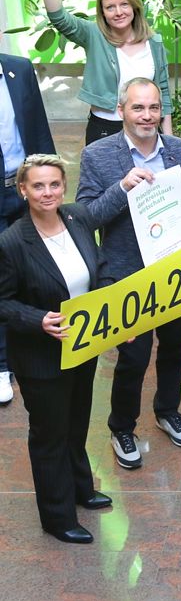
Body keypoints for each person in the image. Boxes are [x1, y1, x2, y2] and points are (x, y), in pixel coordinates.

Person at [76, 79, 181, 469]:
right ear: (121, 111)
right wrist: (121, 188)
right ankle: (122, 427)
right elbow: (85, 218)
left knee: (175, 348)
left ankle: (168, 411)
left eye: (153, 108)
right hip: (126, 275)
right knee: (132, 356)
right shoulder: (98, 155)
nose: (146, 116)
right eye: (138, 108)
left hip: (174, 270)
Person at [0, 155, 111, 543]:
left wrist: (117, 320)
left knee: (77, 422)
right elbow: (3, 302)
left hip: (83, 346)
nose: (48, 193)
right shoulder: (12, 241)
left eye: (54, 184)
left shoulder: (78, 218)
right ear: (23, 190)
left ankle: (81, 489)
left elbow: (96, 270)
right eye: (38, 186)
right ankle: (57, 516)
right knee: (49, 433)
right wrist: (38, 320)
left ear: (64, 186)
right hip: (41, 356)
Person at [31, 0, 173, 144]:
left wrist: (169, 140)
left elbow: (163, 92)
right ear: (102, 13)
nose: (118, 12)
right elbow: (60, 19)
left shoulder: (154, 42)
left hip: (146, 130)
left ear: (134, 7)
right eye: (110, 7)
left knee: (146, 176)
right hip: (105, 128)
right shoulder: (94, 35)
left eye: (124, 4)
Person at [0, 53, 55, 405]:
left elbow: (38, 131)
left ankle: (31, 345)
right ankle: (3, 364)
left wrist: (49, 183)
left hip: (24, 188)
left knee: (31, 267)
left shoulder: (18, 68)